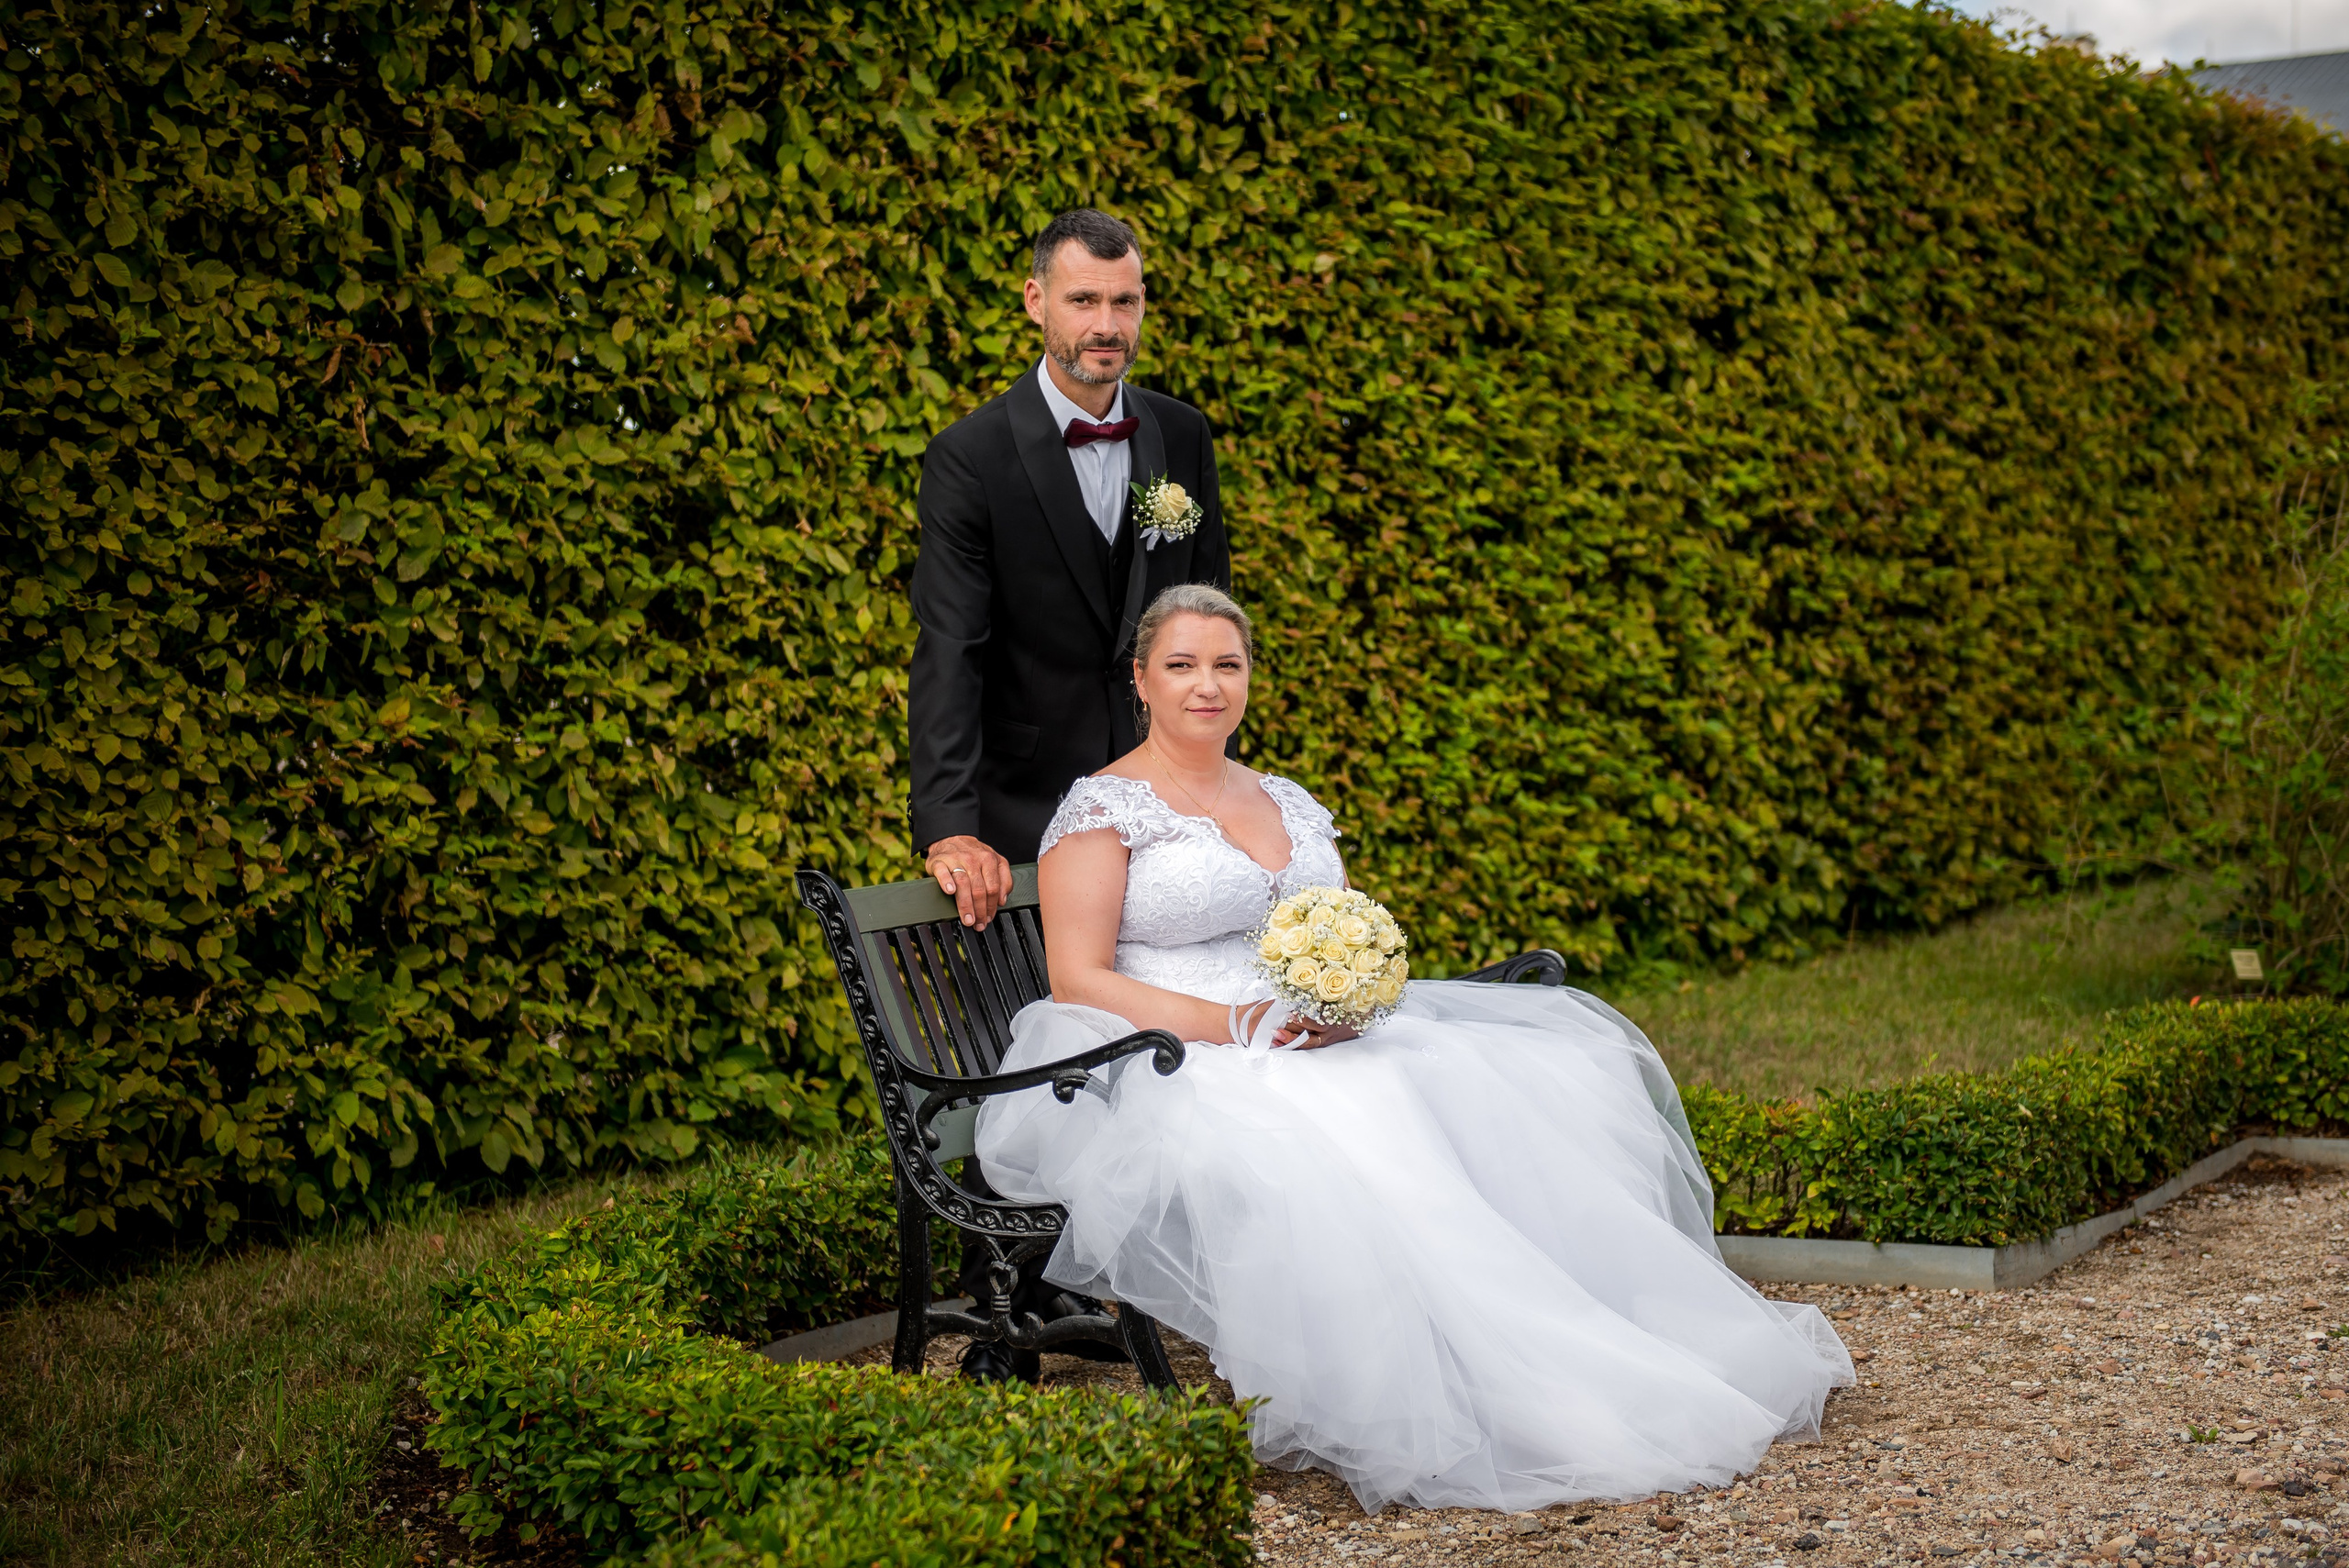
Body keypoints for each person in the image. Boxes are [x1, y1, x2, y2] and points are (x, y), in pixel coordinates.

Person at [974, 584, 1854, 1512]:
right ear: (1141, 679)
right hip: (1170, 1049)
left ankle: (1536, 1349)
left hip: (1305, 1032)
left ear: (1248, 679)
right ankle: (1427, 1385)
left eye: (1226, 664)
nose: (1207, 684)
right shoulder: (1104, 807)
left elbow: (1331, 925)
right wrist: (1234, 1024)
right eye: (1182, 665)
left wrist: (1346, 998)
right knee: (1354, 1127)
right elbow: (1078, 977)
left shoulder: (1284, 797)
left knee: (1503, 1080)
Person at [908, 208, 1231, 1381]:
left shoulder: (1180, 439)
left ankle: (1124, 1269)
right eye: (1084, 301)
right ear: (1034, 302)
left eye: (1126, 302)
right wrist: (951, 822)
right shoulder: (973, 455)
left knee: (1149, 1019)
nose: (1107, 325)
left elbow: (1199, 624)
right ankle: (1009, 1303)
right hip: (1022, 797)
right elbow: (951, 646)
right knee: (1037, 1045)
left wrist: (1206, 790)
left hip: (1154, 801)